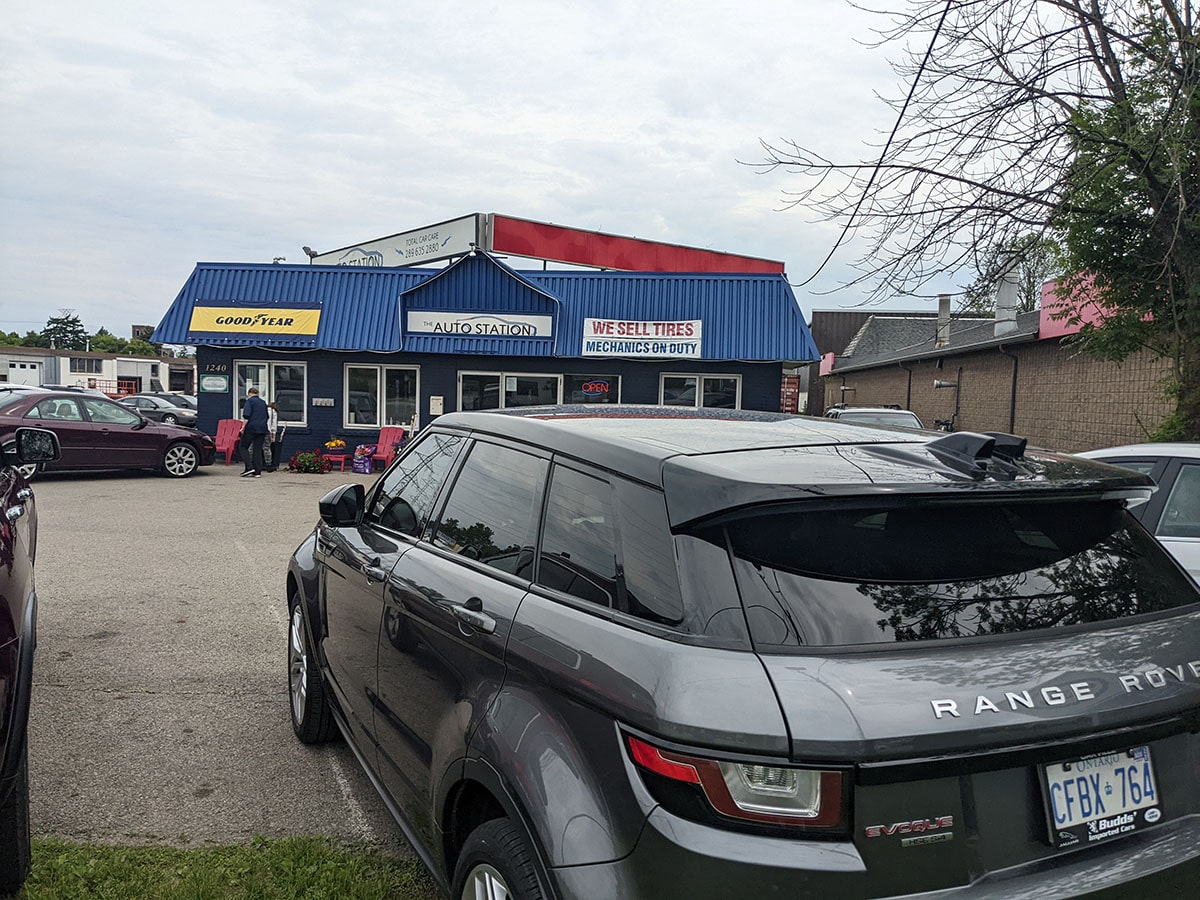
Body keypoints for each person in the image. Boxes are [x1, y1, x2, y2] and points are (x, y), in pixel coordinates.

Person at [239, 387, 269, 477]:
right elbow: (267, 416)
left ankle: (249, 467)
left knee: (243, 447)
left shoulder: (249, 401)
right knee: (258, 449)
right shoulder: (263, 403)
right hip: (262, 428)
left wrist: (243, 427)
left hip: (251, 428)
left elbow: (246, 416)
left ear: (249, 393)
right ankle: (257, 471)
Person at [264, 401, 286, 472]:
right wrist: (273, 436)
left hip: (259, 430)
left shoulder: (264, 410)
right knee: (267, 448)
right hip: (268, 431)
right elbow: (273, 425)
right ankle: (269, 464)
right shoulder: (274, 413)